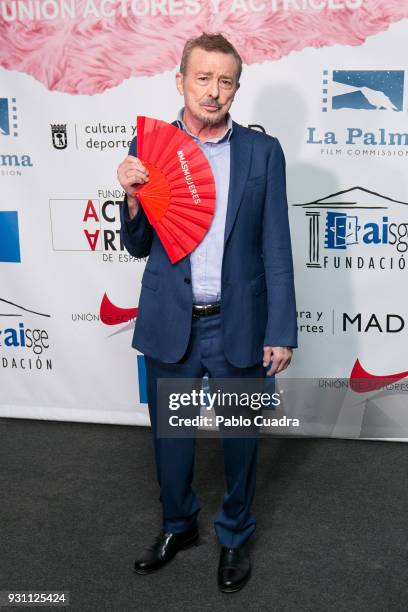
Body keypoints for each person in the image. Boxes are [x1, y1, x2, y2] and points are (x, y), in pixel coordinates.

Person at [117, 32, 297, 593]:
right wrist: (128, 197)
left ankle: (235, 536)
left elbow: (277, 248)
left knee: (241, 441)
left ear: (236, 87)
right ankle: (178, 528)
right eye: (203, 78)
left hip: (237, 323)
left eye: (225, 81)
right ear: (180, 81)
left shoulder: (262, 153)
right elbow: (139, 244)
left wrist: (281, 330)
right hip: (173, 323)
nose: (213, 91)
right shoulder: (151, 148)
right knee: (170, 442)